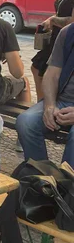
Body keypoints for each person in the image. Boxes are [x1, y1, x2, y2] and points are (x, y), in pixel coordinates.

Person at [18, 22, 74, 166]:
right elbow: (51, 74)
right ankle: (41, 173)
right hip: (62, 99)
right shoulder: (68, 33)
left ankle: (67, 178)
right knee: (26, 122)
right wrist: (49, 105)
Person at [31, 0, 74, 101]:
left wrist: (54, 20)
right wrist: (52, 20)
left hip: (66, 40)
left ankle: (45, 103)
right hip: (57, 37)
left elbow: (72, 22)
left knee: (42, 69)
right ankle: (43, 102)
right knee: (38, 68)